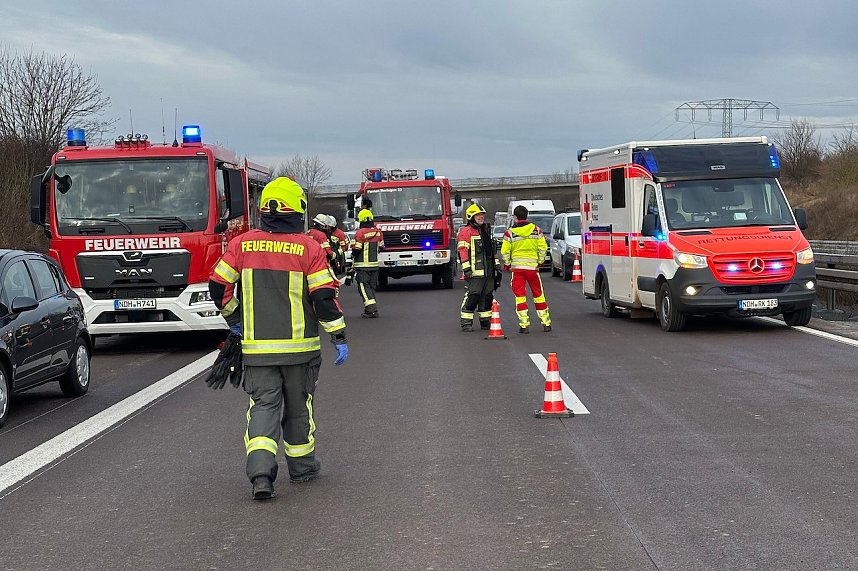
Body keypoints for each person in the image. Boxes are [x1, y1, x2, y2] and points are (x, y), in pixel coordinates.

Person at [208, 177, 349, 501]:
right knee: (299, 411)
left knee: (263, 408)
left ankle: (260, 473)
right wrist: (338, 335)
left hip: (258, 352)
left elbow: (218, 287)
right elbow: (324, 298)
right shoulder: (309, 248)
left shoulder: (241, 245)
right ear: (297, 210)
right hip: (300, 352)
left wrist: (235, 321)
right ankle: (302, 470)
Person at [501, 205, 551, 333]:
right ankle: (546, 323)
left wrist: (508, 264)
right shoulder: (536, 230)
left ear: (515, 217)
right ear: (527, 216)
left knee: (520, 297)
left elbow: (504, 251)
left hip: (517, 269)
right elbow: (543, 248)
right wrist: (540, 261)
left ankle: (524, 325)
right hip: (532, 269)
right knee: (539, 295)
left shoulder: (510, 233)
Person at [456, 204, 501, 332]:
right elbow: (463, 251)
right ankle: (466, 322)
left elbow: (491, 251)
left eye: (482, 215)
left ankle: (485, 321)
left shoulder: (485, 231)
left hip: (488, 272)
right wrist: (467, 269)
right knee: (473, 296)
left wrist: (497, 265)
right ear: (471, 216)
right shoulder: (466, 232)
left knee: (487, 297)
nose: (481, 217)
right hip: (475, 272)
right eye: (478, 215)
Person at [351, 208, 384, 318]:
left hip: (362, 266)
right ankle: (369, 308)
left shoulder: (360, 233)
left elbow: (357, 249)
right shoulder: (378, 232)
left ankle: (372, 310)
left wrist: (352, 256)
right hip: (374, 265)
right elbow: (382, 247)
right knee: (371, 287)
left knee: (363, 288)